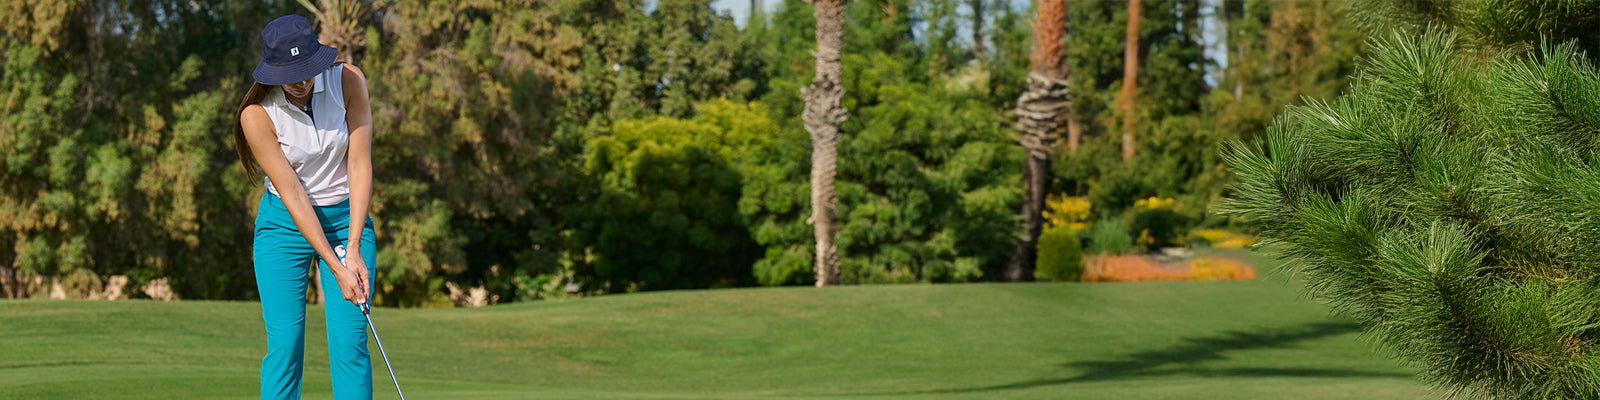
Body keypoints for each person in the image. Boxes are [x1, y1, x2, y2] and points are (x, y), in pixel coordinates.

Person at [232, 15, 377, 400]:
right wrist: (334, 265)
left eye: (307, 70)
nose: (301, 81)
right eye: (290, 74)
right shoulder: (257, 114)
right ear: (271, 71)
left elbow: (359, 164)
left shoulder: (348, 80)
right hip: (284, 227)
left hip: (347, 220)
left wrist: (355, 247)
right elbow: (293, 192)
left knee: (350, 343)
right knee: (286, 344)